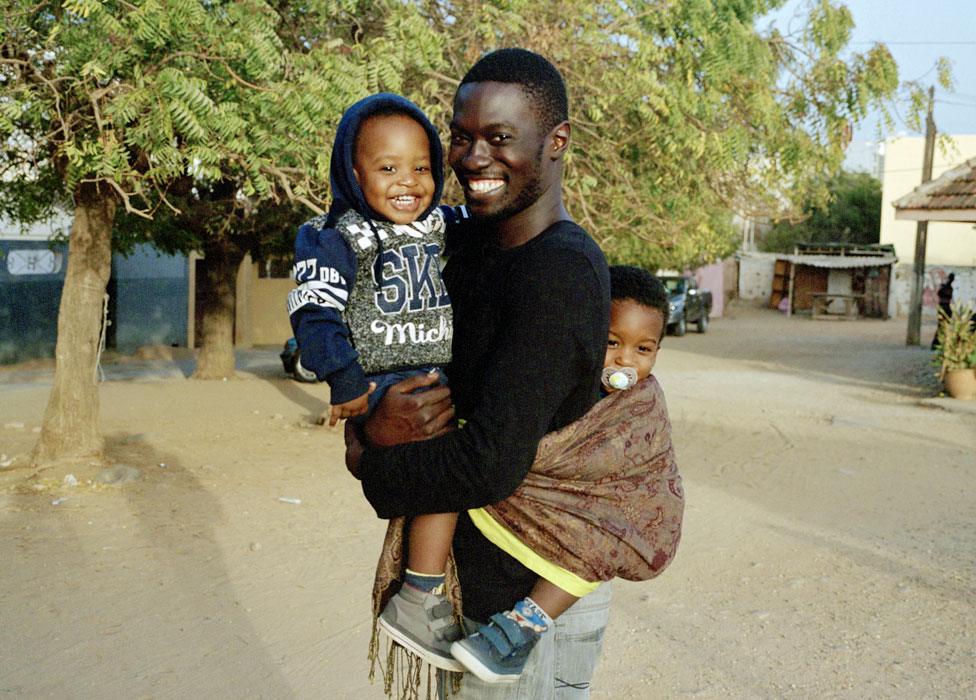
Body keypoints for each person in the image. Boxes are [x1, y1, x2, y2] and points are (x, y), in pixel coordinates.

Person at [348, 48, 613, 697]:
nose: (472, 158)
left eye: (499, 138)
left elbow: (490, 462)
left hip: (515, 608)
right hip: (467, 589)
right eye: (461, 137)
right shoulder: (459, 242)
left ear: (557, 142)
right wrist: (372, 413)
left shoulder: (560, 275)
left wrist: (368, 458)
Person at [287, 93, 466, 599]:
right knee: (442, 478)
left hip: (434, 374)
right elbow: (314, 310)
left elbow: (492, 224)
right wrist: (342, 378)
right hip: (377, 381)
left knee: (452, 470)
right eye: (388, 167)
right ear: (353, 173)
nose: (408, 181)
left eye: (421, 167)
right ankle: (420, 590)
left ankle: (429, 578)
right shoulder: (336, 237)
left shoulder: (439, 224)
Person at [932, 272, 955, 349]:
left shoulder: (947, 287)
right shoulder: (947, 288)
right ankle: (937, 343)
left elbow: (941, 294)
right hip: (945, 307)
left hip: (944, 307)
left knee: (943, 326)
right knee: (942, 326)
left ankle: (939, 343)